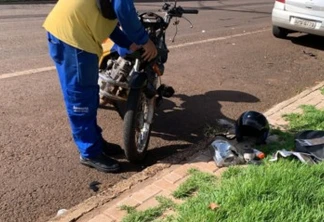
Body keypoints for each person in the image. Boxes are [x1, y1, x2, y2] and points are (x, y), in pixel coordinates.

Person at [43, 0, 157, 173]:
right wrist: (144, 40)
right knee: (80, 99)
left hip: (71, 30)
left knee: (89, 95)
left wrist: (129, 43)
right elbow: (122, 8)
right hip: (74, 38)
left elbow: (107, 18)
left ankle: (94, 140)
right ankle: (89, 153)